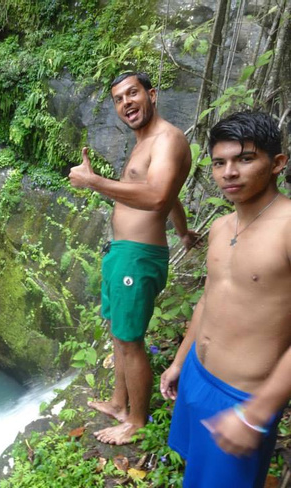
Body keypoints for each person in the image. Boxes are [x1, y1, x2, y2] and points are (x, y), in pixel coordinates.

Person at [160, 111, 291, 487]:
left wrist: (257, 413)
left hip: (242, 398)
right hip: (197, 374)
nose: (229, 172)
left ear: (277, 163)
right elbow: (210, 299)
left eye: (245, 159)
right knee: (195, 473)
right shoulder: (220, 227)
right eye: (219, 163)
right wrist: (179, 362)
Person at [68, 71, 198, 445]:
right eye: (119, 99)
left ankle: (136, 420)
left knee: (131, 339)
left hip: (138, 257)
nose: (126, 103)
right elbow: (170, 197)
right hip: (123, 252)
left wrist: (94, 182)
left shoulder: (168, 139)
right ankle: (117, 402)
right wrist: (184, 232)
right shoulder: (144, 143)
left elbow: (157, 196)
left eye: (132, 93)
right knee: (118, 332)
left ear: (151, 94)